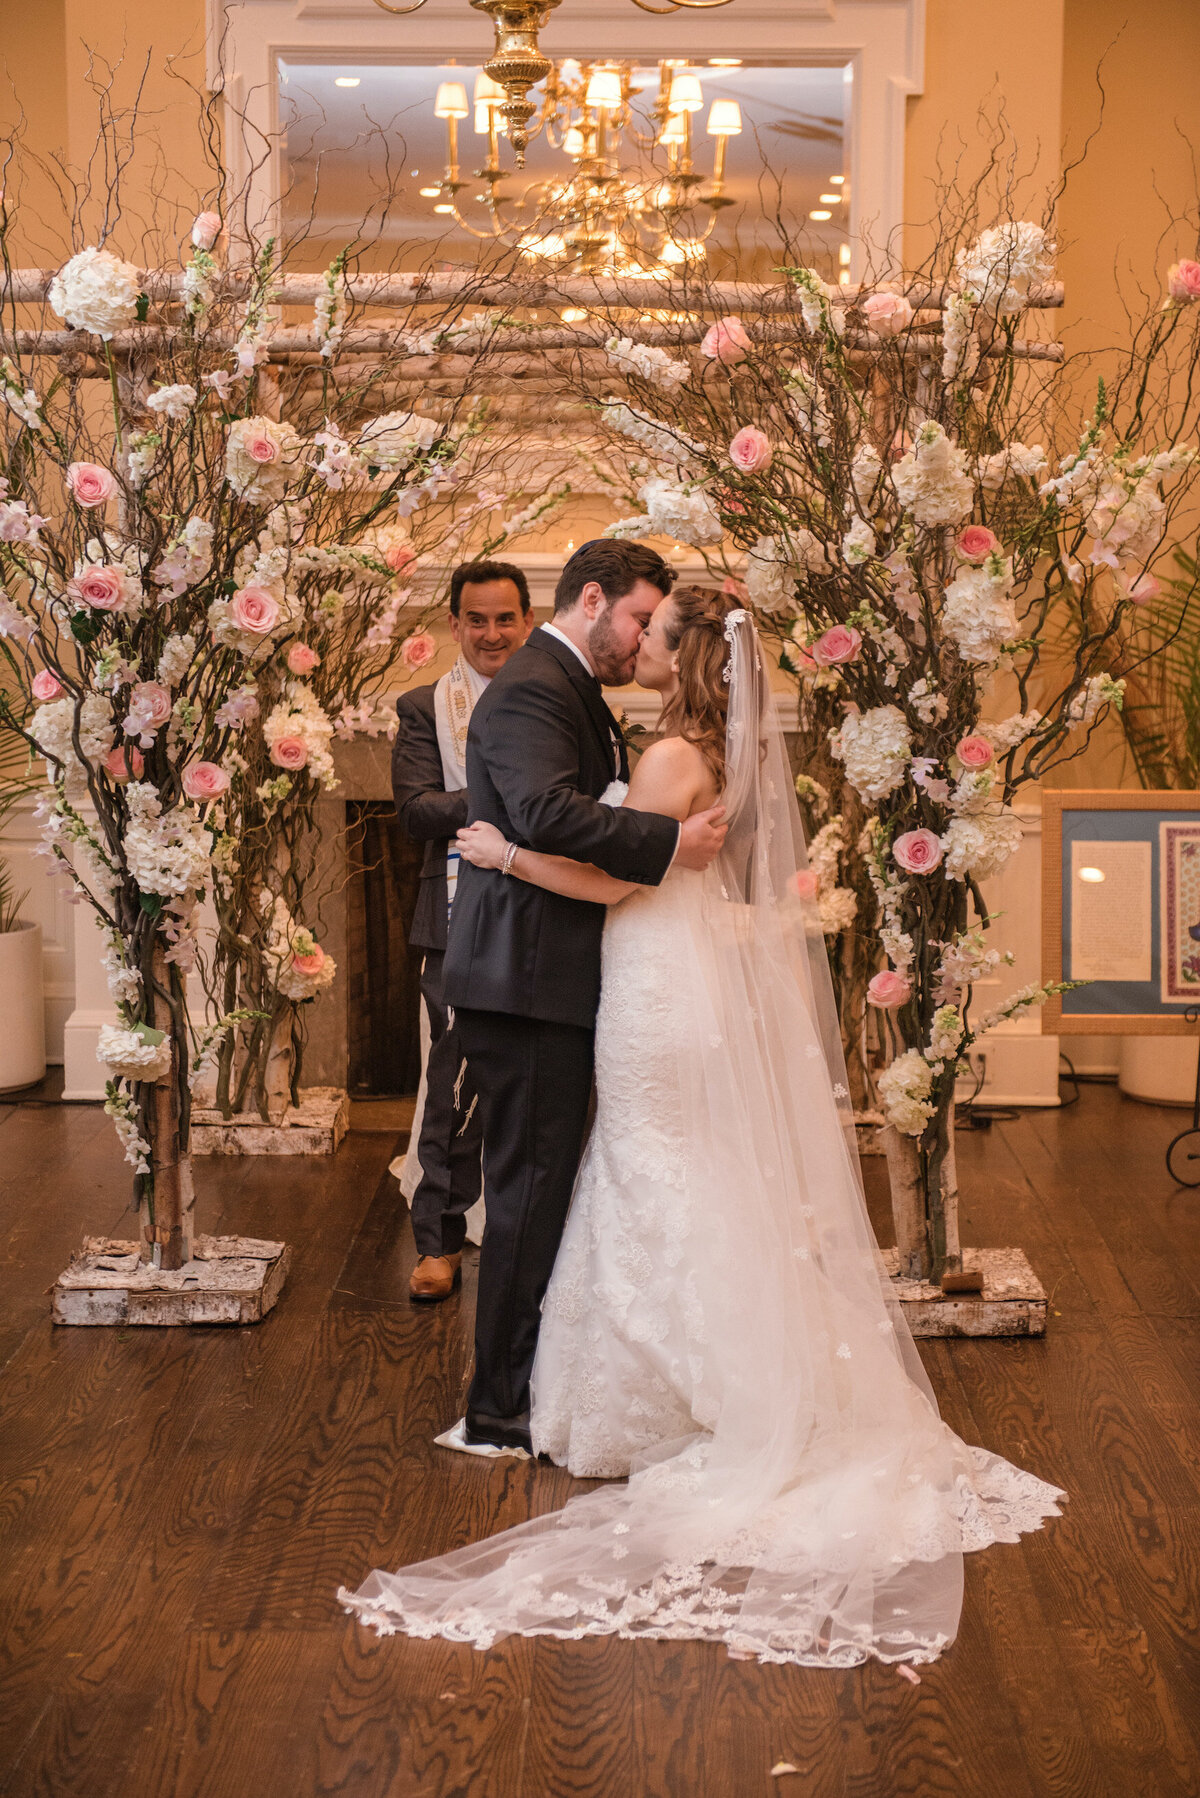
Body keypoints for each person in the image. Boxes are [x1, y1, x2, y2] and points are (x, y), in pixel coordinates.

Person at [341, 588, 1064, 1668]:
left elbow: (610, 883)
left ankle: (675, 1396)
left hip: (649, 991)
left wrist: (501, 857)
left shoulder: (676, 758)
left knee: (652, 1168)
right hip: (668, 987)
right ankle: (680, 1377)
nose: (636, 641)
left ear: (682, 655)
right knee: (665, 1169)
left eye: (652, 631)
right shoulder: (691, 753)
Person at [436, 540, 728, 1452]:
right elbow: (544, 814)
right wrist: (665, 844)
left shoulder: (573, 691)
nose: (643, 638)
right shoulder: (532, 686)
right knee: (526, 1194)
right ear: (593, 598)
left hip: (552, 975)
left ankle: (522, 1387)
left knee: (544, 1188)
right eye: (639, 617)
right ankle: (497, 1411)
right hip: (524, 982)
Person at [390, 559, 532, 1302]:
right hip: (453, 921)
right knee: (451, 1085)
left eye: (505, 618)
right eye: (476, 619)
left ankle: (528, 1242)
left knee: (536, 1085)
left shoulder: (555, 701)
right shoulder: (423, 708)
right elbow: (415, 809)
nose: (491, 633)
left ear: (528, 621)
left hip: (546, 912)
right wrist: (510, 797)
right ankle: (439, 1243)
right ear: (454, 624)